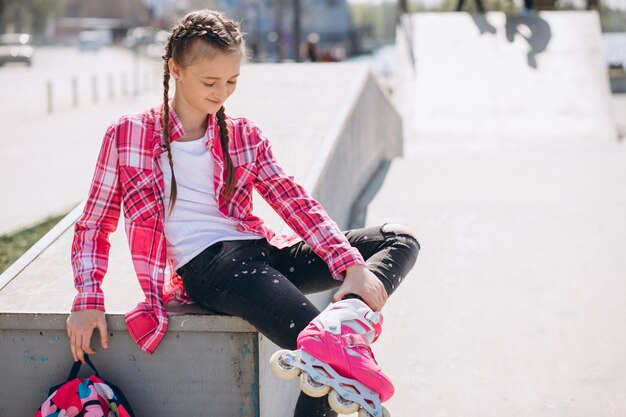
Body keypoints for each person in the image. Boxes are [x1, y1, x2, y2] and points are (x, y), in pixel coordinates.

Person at [66, 9, 419, 417]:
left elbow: (293, 200)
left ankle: (342, 325)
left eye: (232, 81)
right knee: (326, 354)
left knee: (398, 238)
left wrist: (350, 265)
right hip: (211, 267)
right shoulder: (129, 135)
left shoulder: (244, 136)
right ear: (175, 68)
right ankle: (341, 333)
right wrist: (87, 297)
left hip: (263, 252)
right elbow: (94, 224)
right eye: (210, 82)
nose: (222, 93)